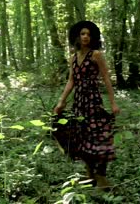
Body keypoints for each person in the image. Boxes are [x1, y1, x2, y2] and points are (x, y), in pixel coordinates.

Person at [53, 20, 120, 191]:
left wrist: (113, 103)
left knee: (99, 136)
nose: (86, 37)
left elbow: (106, 78)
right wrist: (61, 101)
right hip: (79, 103)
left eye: (89, 34)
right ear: (77, 36)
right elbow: (71, 81)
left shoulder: (96, 55)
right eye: (83, 34)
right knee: (81, 137)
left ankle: (101, 176)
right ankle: (90, 174)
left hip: (93, 101)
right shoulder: (73, 58)